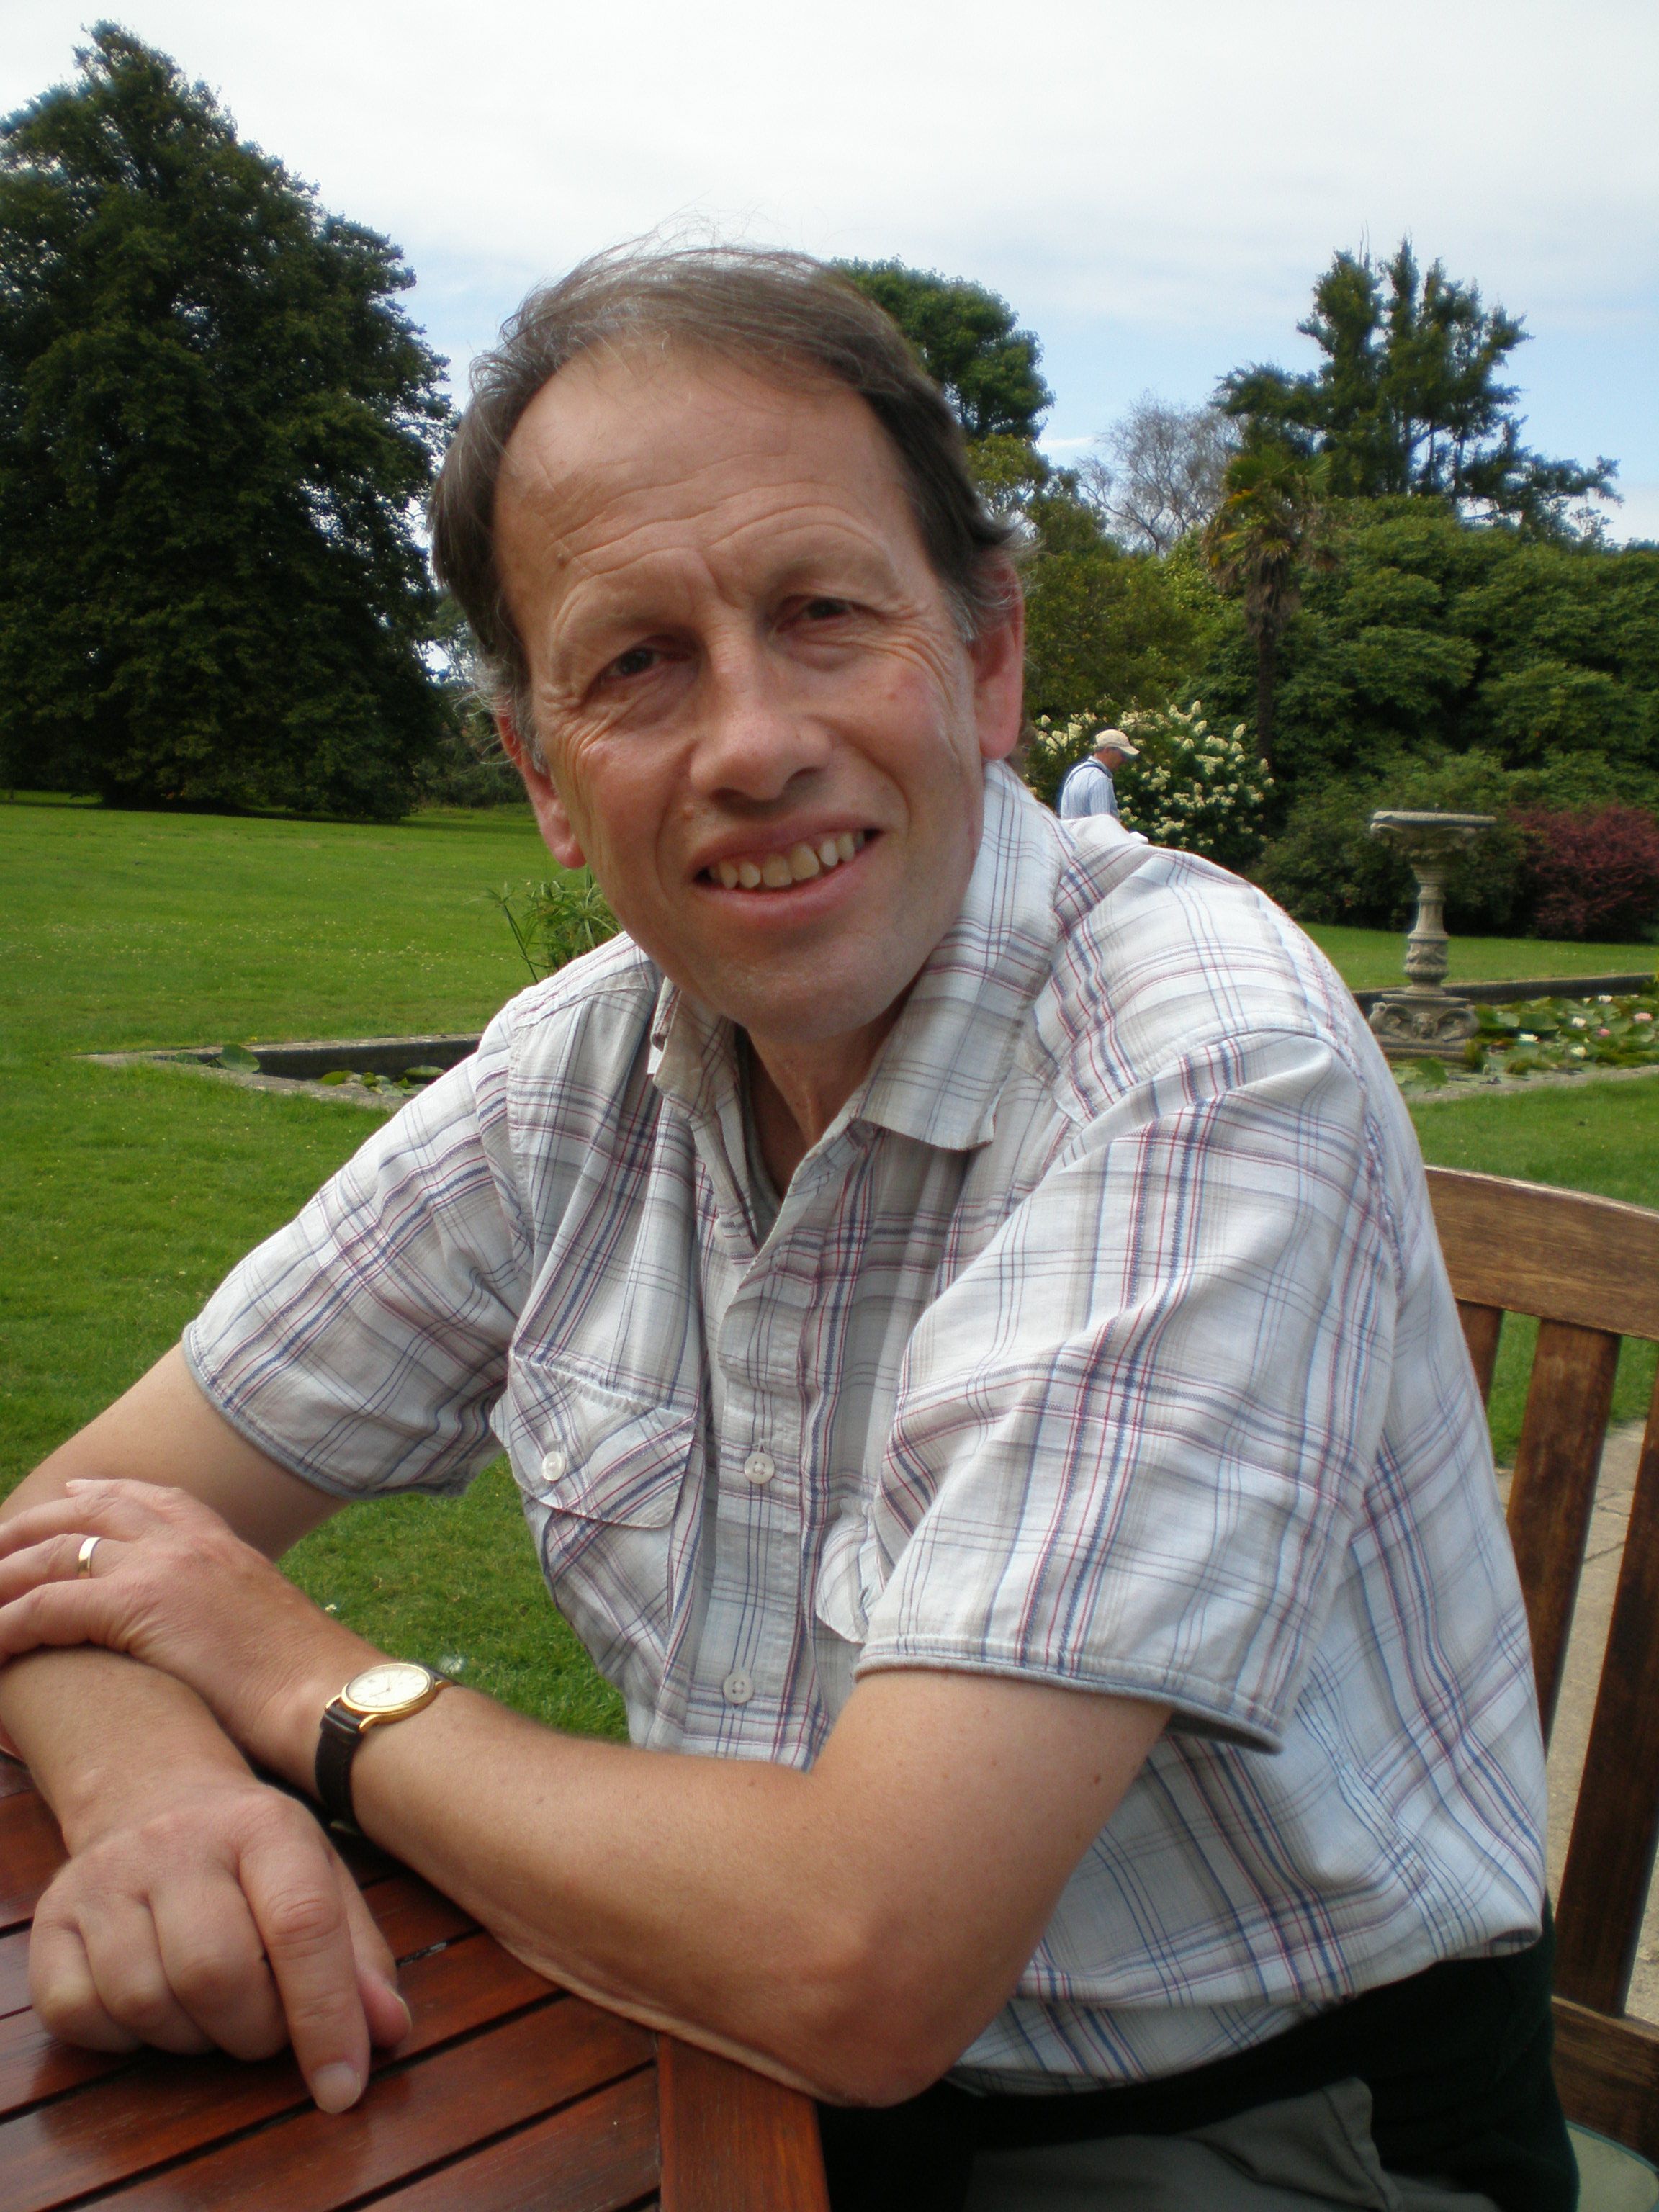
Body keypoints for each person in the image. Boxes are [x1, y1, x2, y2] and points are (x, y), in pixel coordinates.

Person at [0, 247, 1565, 2212]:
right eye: (637, 662)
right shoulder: (574, 1076)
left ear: (988, 660)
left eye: (823, 614)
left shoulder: (1201, 1062)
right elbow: (71, 1538)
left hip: (1245, 2139)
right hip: (713, 2049)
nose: (749, 742)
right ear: (545, 774)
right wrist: (150, 1789)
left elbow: (863, 1956)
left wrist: (298, 1677)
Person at [1056, 729, 1138, 822]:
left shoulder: (1076, 773)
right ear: (1108, 750)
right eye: (1122, 755)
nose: (1125, 760)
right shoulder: (1100, 779)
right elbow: (1101, 825)